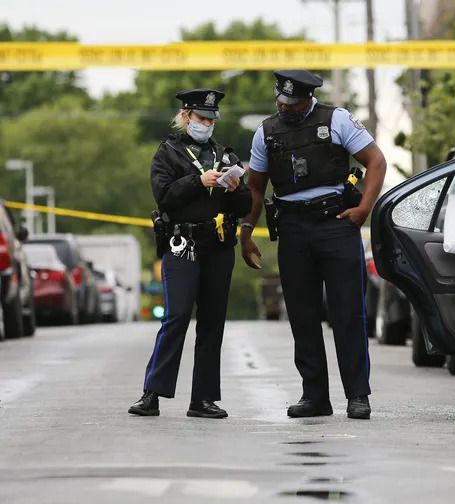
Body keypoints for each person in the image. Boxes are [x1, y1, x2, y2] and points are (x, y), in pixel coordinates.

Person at [241, 70, 387, 419]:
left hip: (336, 224)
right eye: (281, 102)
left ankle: (358, 395)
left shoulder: (337, 120)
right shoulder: (266, 132)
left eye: (293, 104)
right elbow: (256, 187)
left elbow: (376, 161)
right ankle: (315, 396)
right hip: (293, 229)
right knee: (302, 315)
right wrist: (246, 231)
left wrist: (364, 209)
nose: (285, 108)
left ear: (309, 99)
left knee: (347, 313)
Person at [128, 88, 252, 418]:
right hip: (182, 243)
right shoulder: (168, 153)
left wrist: (236, 188)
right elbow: (164, 196)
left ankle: (203, 399)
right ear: (185, 117)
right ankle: (151, 393)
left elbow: (246, 205)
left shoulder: (226, 156)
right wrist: (199, 181)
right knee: (177, 316)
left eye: (211, 119)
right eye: (201, 118)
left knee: (212, 322)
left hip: (218, 245)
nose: (207, 124)